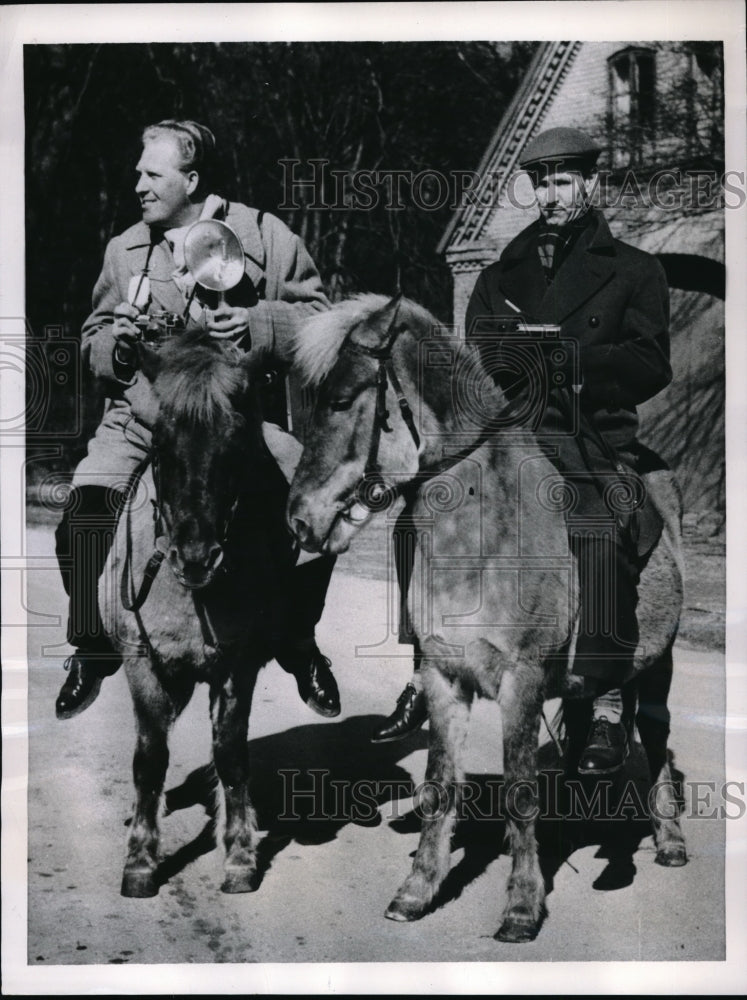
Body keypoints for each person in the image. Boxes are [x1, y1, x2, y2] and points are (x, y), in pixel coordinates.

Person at [374, 126, 672, 775]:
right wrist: (514, 358)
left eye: (562, 180)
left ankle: (603, 702)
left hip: (591, 434)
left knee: (598, 524)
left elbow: (651, 362)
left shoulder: (633, 269)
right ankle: (422, 666)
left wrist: (572, 361)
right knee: (415, 519)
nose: (549, 194)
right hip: (509, 433)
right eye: (539, 181)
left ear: (591, 184)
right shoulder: (498, 273)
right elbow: (475, 358)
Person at [55, 119, 341, 721]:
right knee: (83, 513)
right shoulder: (126, 249)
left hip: (233, 424)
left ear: (192, 178)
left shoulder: (264, 235)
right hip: (142, 419)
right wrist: (118, 346)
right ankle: (91, 645)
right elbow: (93, 335)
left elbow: (321, 319)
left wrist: (258, 324)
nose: (138, 185)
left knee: (313, 513)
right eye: (138, 172)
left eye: (152, 174)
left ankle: (296, 639)